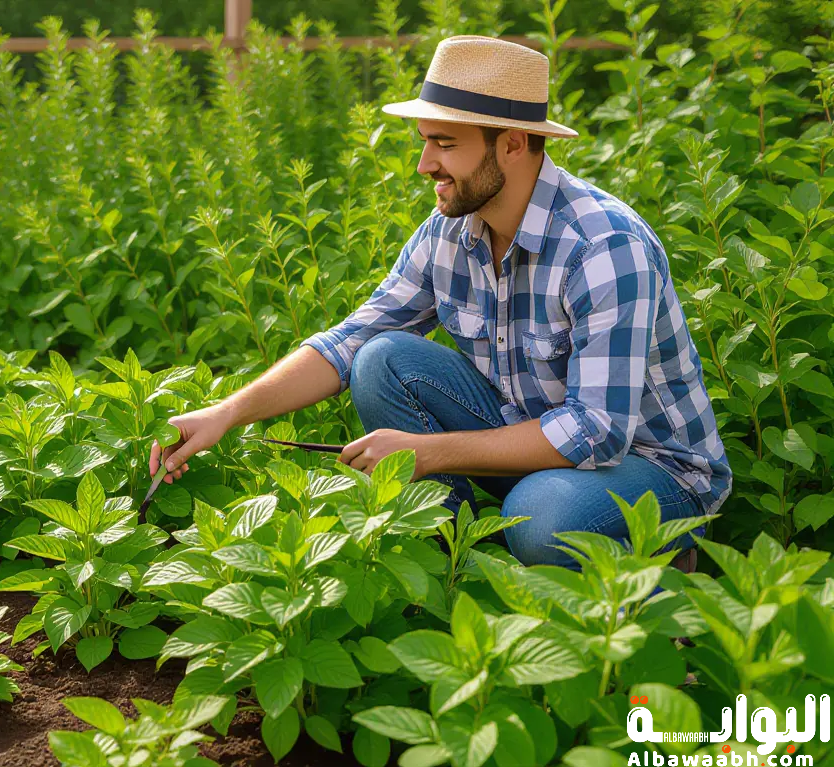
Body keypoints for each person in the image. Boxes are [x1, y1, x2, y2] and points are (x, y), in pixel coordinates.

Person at [148, 35, 729, 571]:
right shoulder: (449, 232)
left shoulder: (603, 247)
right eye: (425, 141)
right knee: (382, 361)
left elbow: (596, 432)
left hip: (654, 469)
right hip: (528, 442)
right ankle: (446, 565)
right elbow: (349, 342)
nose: (426, 164)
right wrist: (226, 412)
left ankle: (651, 583)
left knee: (544, 517)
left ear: (513, 144)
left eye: (445, 144)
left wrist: (425, 453)